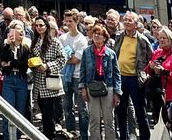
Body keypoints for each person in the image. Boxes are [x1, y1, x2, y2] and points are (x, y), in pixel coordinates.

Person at [114, 11, 152, 140]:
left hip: (135, 79)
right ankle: (123, 137)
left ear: (136, 24)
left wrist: (145, 74)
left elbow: (150, 59)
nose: (126, 22)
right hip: (120, 78)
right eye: (125, 20)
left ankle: (145, 137)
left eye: (130, 20)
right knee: (121, 111)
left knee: (140, 111)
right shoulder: (119, 36)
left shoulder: (142, 39)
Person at [82, 24, 121, 140]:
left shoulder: (110, 53)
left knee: (109, 120)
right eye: (95, 33)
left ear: (105, 38)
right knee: (94, 120)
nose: (96, 36)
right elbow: (82, 71)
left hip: (108, 88)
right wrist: (83, 88)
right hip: (91, 87)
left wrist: (117, 93)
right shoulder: (86, 52)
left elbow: (116, 74)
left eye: (99, 34)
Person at [32, 16, 66, 140]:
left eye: (41, 25)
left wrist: (47, 66)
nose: (39, 28)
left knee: (50, 117)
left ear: (46, 27)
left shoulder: (54, 41)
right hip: (38, 83)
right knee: (44, 116)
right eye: (36, 25)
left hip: (51, 84)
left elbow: (63, 59)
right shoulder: (35, 41)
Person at [62, 11, 91, 140]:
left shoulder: (82, 39)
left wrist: (66, 57)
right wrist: (67, 57)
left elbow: (76, 60)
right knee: (67, 109)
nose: (68, 24)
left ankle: (84, 136)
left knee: (82, 110)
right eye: (66, 21)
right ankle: (71, 134)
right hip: (65, 77)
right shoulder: (62, 38)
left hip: (78, 77)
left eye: (71, 22)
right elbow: (61, 56)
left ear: (76, 22)